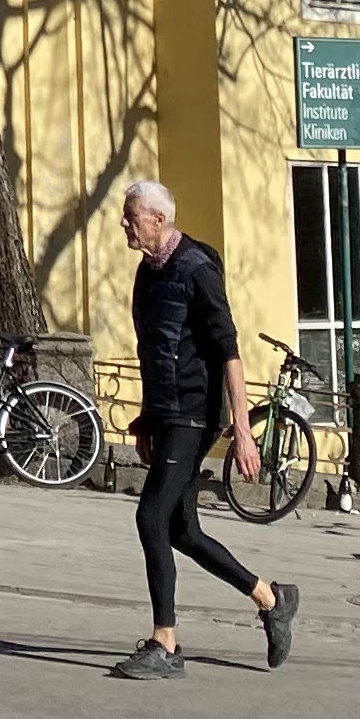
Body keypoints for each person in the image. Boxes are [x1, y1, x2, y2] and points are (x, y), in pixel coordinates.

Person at [110, 181, 296, 679]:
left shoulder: (197, 270)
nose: (124, 224)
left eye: (131, 216)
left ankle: (165, 645)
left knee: (151, 519)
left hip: (194, 414)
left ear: (157, 220)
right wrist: (147, 418)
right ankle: (271, 598)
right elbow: (152, 352)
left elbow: (229, 354)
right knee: (182, 530)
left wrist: (243, 430)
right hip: (167, 414)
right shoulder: (147, 275)